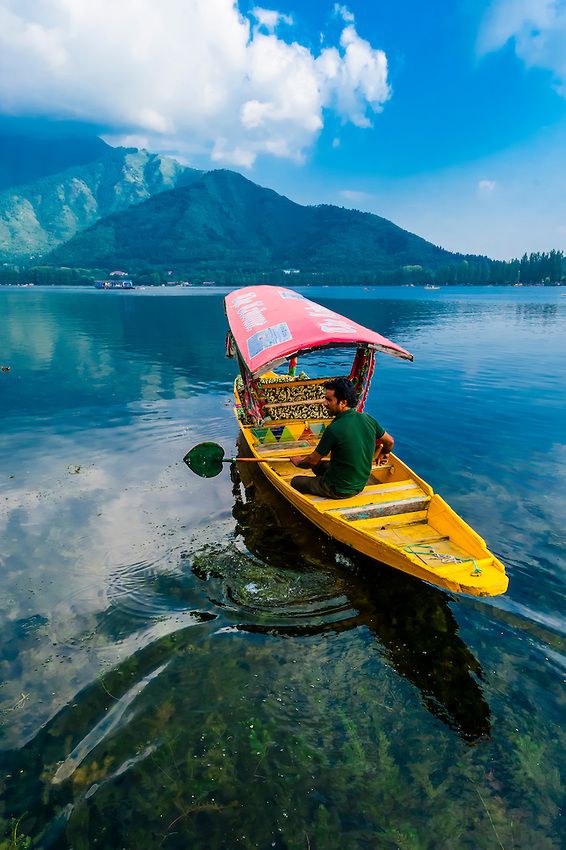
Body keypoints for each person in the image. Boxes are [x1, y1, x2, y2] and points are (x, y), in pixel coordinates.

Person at [290, 377, 394, 499]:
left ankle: (326, 488)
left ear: (343, 403)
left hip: (339, 489)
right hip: (360, 484)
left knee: (296, 481)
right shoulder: (368, 419)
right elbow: (390, 441)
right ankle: (327, 481)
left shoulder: (334, 429)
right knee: (319, 466)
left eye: (329, 400)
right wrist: (385, 452)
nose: (324, 403)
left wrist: (298, 462)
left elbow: (312, 460)